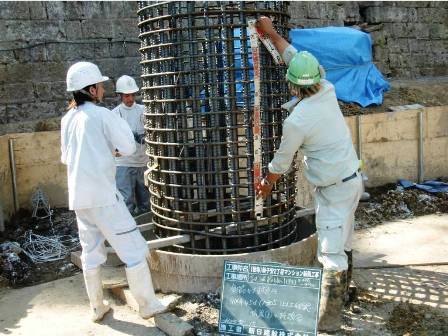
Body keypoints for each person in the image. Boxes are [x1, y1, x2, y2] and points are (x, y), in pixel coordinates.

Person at [255, 17, 362, 332]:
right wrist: (272, 34)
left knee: (330, 253)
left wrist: (265, 185)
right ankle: (344, 295)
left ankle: (328, 320)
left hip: (333, 190)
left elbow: (281, 161)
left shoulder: (297, 121)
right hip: (351, 181)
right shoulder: (326, 86)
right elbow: (293, 56)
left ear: (291, 85)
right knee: (343, 240)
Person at [61, 62, 166, 322]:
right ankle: (147, 305)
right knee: (135, 250)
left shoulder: (67, 119)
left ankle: (97, 306)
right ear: (91, 89)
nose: (103, 88)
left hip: (79, 199)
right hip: (104, 198)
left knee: (91, 253)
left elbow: (66, 158)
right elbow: (128, 148)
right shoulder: (103, 115)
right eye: (100, 85)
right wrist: (112, 150)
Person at [113, 75, 150, 216]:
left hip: (142, 162)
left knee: (146, 201)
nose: (130, 99)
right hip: (124, 163)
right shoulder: (115, 114)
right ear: (120, 95)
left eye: (132, 95)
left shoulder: (143, 110)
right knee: (126, 201)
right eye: (127, 96)